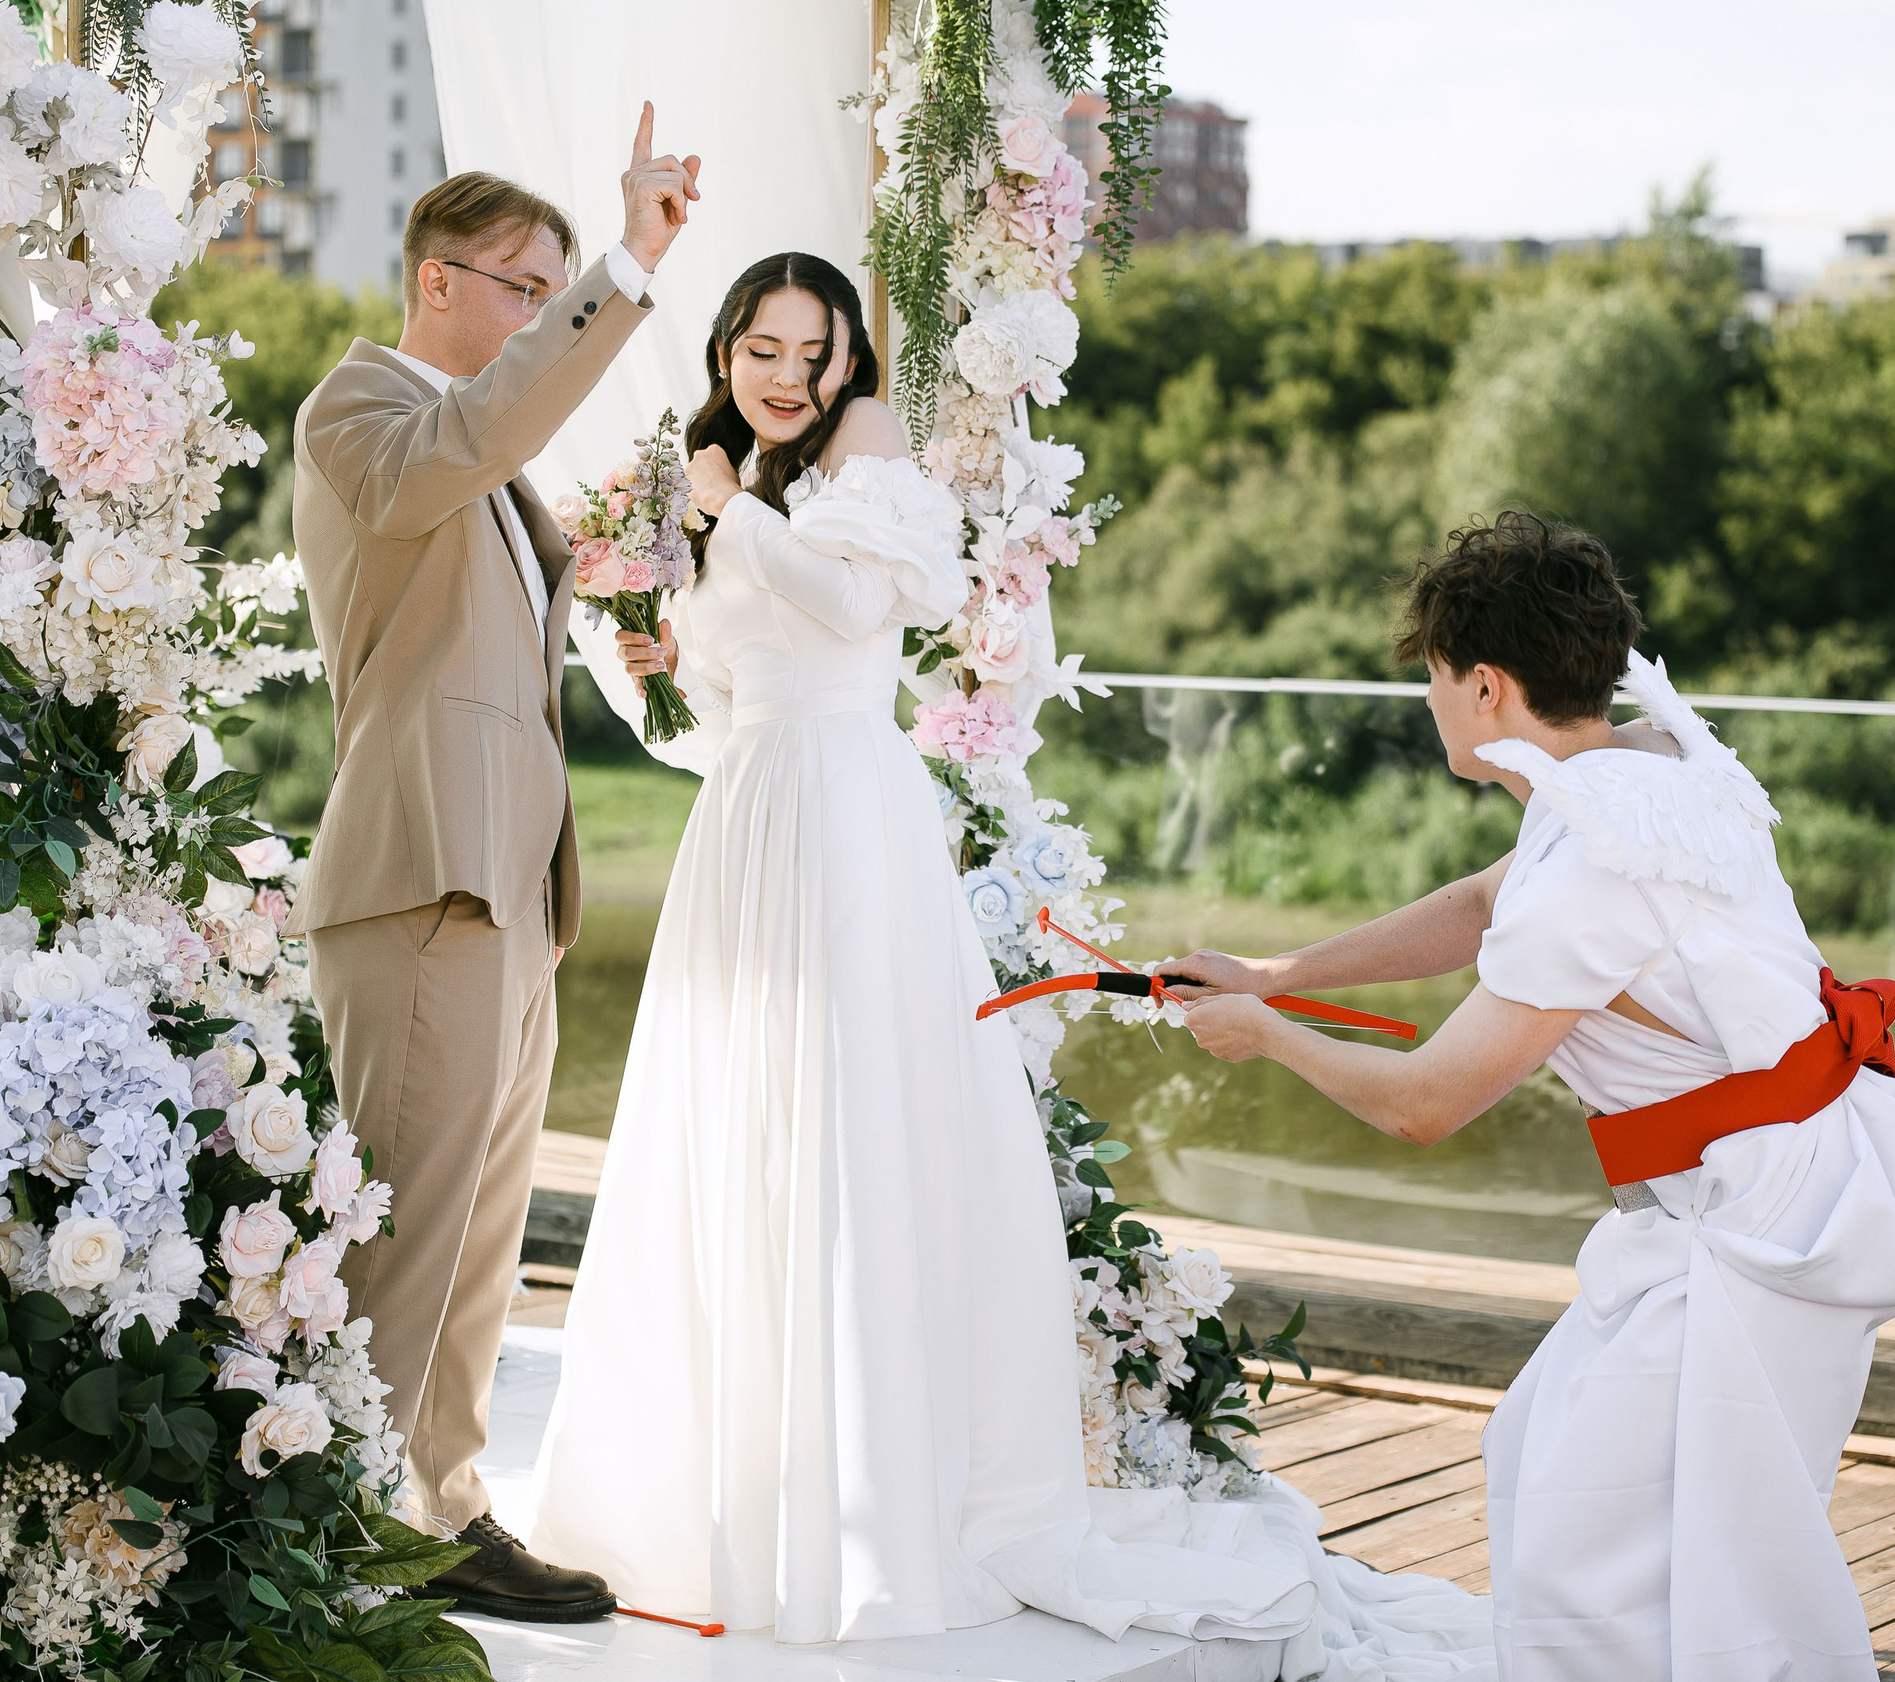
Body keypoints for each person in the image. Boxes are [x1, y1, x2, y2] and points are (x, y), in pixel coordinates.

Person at [536, 253, 1495, 1675]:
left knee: (856, 1129)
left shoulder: (851, 457)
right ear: (727, 349)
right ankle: (734, 1496)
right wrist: (646, 656)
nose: (787, 373)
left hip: (854, 826)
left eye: (816, 348)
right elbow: (715, 715)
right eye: (762, 346)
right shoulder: (713, 481)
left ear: (851, 360)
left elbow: (864, 616)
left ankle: (868, 1507)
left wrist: (727, 514)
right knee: (735, 1130)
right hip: (746, 823)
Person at [1170, 514, 1895, 1680]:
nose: (1430, 702)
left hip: (1758, 1226)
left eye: (1435, 679)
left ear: (1485, 684)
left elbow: (1425, 1103)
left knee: (1617, 1550)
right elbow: (1485, 899)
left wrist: (1270, 1036)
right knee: (1562, 1467)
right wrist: (1282, 971)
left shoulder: (1596, 863)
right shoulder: (1643, 761)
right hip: (1774, 1187)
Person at [282, 110, 700, 1621]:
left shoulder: (490, 471)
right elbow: (478, 434)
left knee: (478, 1244)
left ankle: (442, 1510)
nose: (539, 310)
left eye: (550, 289)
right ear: (437, 279)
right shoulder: (365, 415)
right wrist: (626, 266)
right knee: (398, 1233)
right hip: (417, 881)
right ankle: (330, 1545)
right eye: (522, 285)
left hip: (508, 896)